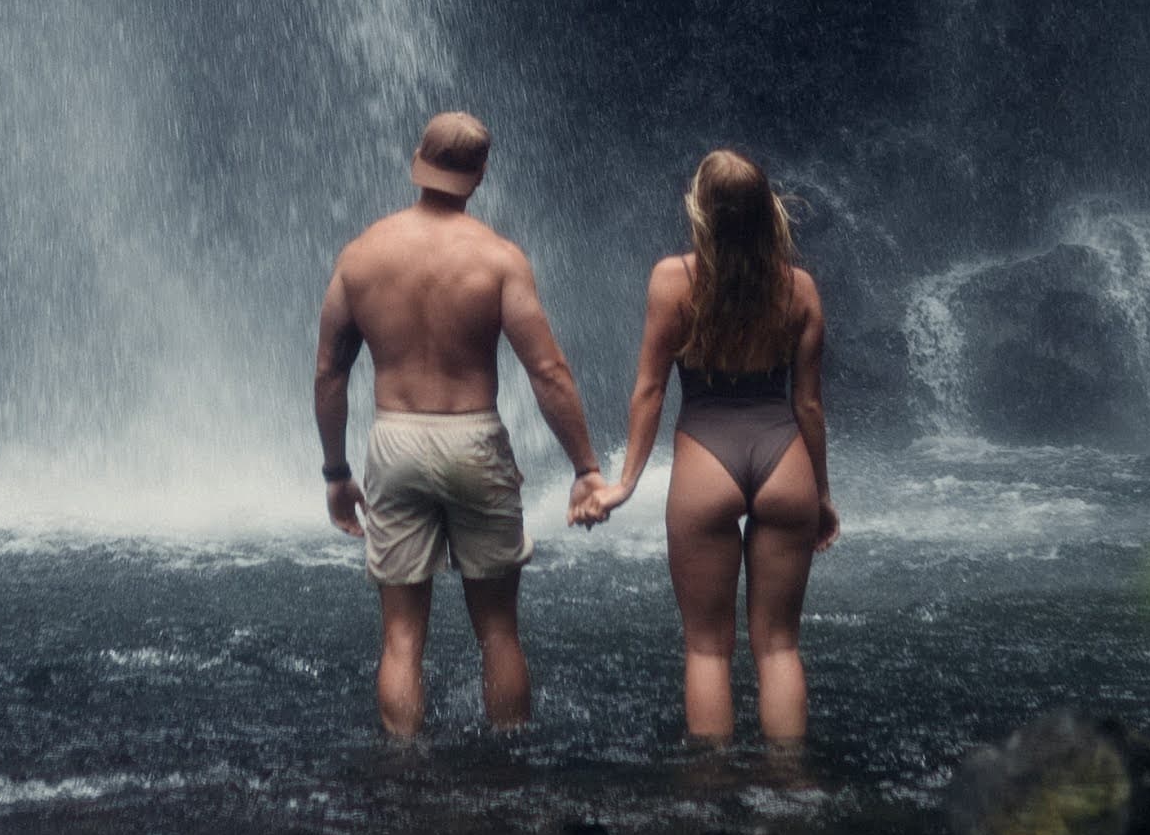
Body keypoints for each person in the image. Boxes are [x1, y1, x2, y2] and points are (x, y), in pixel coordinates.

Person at [313, 108, 611, 736]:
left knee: (399, 638)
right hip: (473, 436)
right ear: (479, 176)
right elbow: (549, 371)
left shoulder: (362, 255)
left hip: (394, 439)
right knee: (499, 631)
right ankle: (508, 770)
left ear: (418, 161)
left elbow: (329, 374)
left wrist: (336, 471)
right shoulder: (498, 259)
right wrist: (585, 467)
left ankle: (404, 772)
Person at [576, 147, 834, 745]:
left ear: (702, 213)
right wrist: (820, 495)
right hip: (783, 459)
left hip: (704, 461)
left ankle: (711, 791)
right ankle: (787, 783)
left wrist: (624, 483)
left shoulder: (674, 280)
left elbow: (650, 389)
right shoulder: (799, 290)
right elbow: (809, 406)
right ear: (768, 212)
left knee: (707, 651)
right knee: (778, 649)